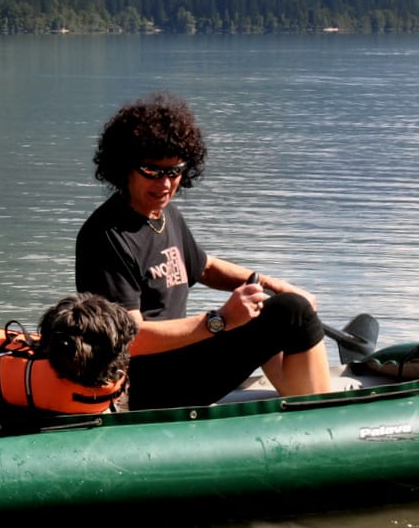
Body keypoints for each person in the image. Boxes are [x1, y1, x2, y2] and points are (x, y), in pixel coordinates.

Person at [75, 92, 330, 410]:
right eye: (151, 170)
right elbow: (130, 340)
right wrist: (220, 320)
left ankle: (302, 399)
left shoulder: (164, 214)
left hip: (176, 364)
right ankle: (322, 413)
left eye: (174, 171)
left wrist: (271, 284)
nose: (165, 183)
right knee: (293, 312)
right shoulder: (107, 236)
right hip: (144, 384)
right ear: (124, 167)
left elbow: (204, 267)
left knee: (273, 307)